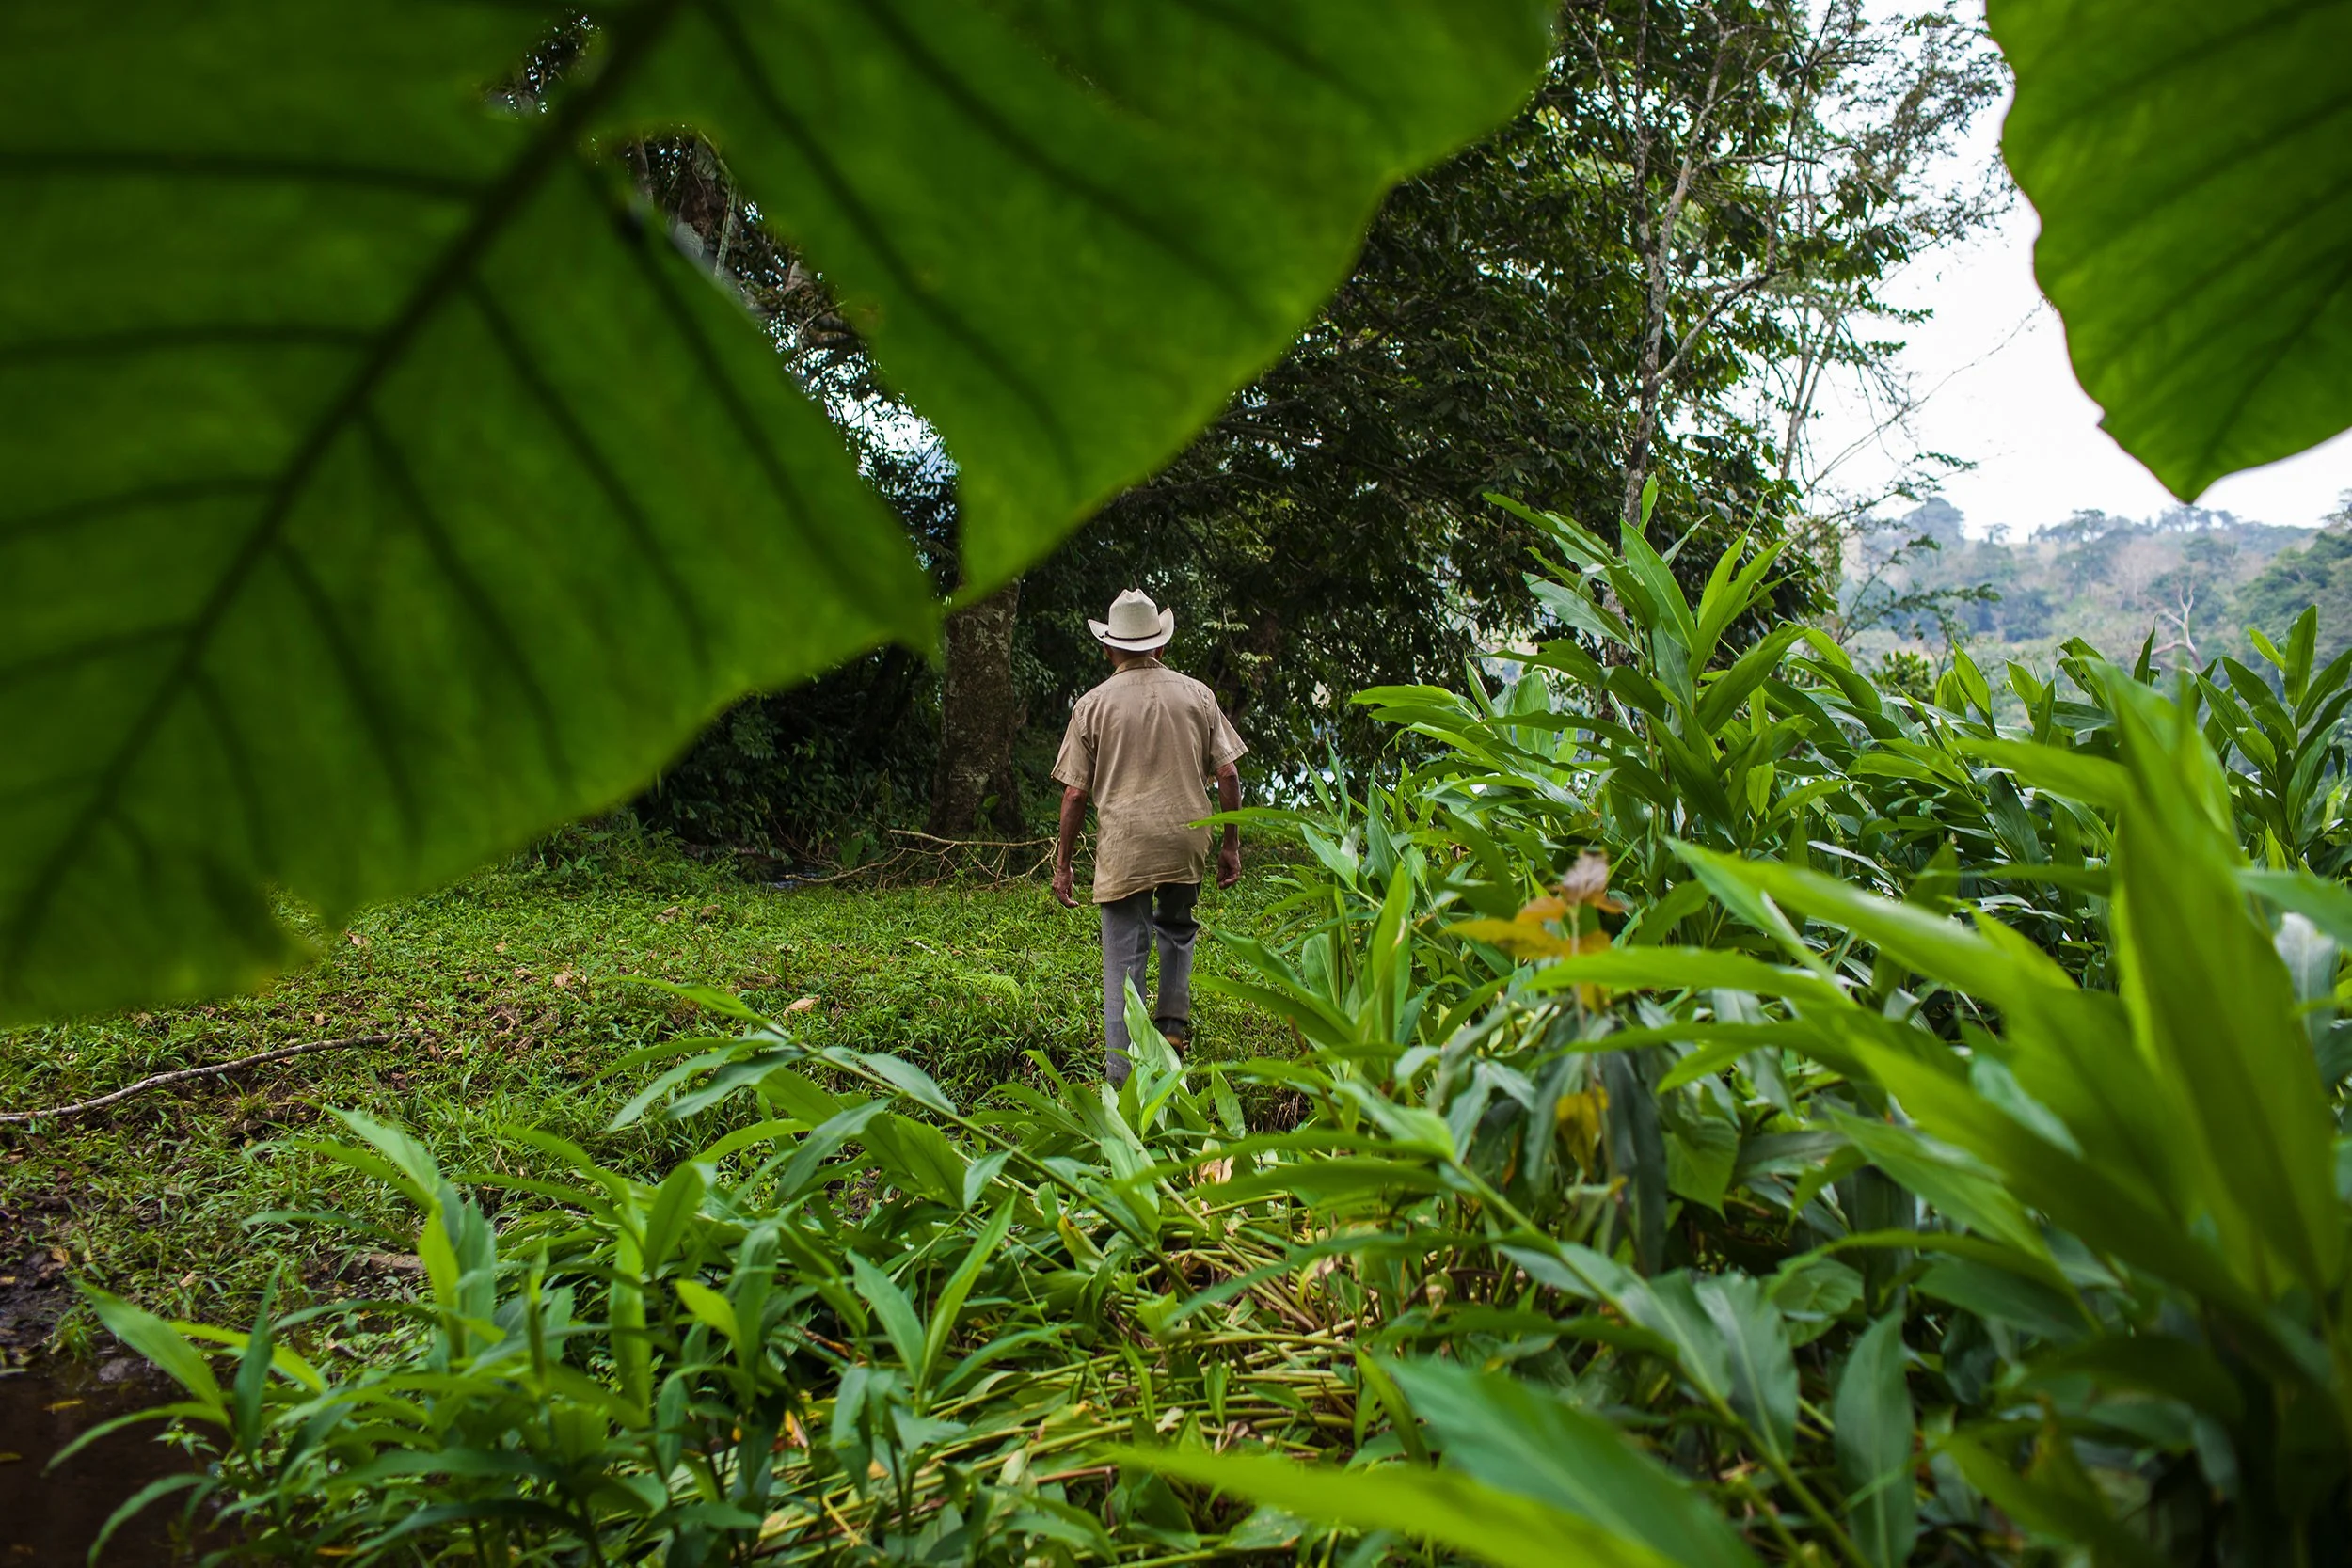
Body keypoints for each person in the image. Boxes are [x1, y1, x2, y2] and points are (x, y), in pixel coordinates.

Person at [1051, 589, 1245, 1086]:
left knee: (1123, 954)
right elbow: (1227, 774)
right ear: (1159, 646)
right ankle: (1173, 1026)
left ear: (1108, 648)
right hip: (1187, 838)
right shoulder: (1198, 694)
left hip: (1125, 845)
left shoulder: (1091, 706)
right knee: (1177, 926)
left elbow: (1074, 795)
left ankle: (1123, 1076)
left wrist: (1064, 863)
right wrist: (1230, 844)